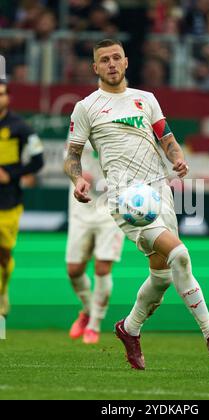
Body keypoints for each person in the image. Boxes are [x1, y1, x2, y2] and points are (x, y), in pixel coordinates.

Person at [64, 39, 209, 370]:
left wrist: (179, 157)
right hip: (127, 199)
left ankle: (129, 328)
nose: (111, 64)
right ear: (94, 68)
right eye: (103, 60)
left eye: (116, 58)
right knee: (180, 253)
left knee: (164, 275)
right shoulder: (87, 107)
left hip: (160, 193)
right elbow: (72, 155)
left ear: (126, 62)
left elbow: (167, 139)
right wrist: (77, 179)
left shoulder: (146, 100)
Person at [66, 141, 125, 344]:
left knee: (102, 267)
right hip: (80, 205)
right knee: (74, 270)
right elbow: (69, 158)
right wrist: (78, 176)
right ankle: (88, 310)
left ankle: (94, 325)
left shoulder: (123, 120)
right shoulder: (81, 114)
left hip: (112, 206)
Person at [0, 80, 44, 316]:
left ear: (8, 98)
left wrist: (10, 174)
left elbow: (38, 161)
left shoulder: (20, 127)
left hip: (8, 202)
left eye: (1, 94)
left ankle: (2, 290)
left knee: (4, 255)